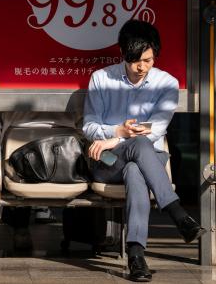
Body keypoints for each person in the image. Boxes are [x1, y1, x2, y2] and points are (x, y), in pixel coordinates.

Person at [83, 20, 204, 282]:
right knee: (137, 148)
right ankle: (177, 214)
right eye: (135, 60)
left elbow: (155, 130)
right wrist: (118, 132)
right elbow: (89, 127)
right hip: (107, 161)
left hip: (145, 158)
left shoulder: (166, 83)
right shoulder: (101, 79)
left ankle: (136, 256)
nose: (142, 67)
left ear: (155, 55)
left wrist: (115, 138)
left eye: (148, 60)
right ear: (123, 54)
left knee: (136, 166)